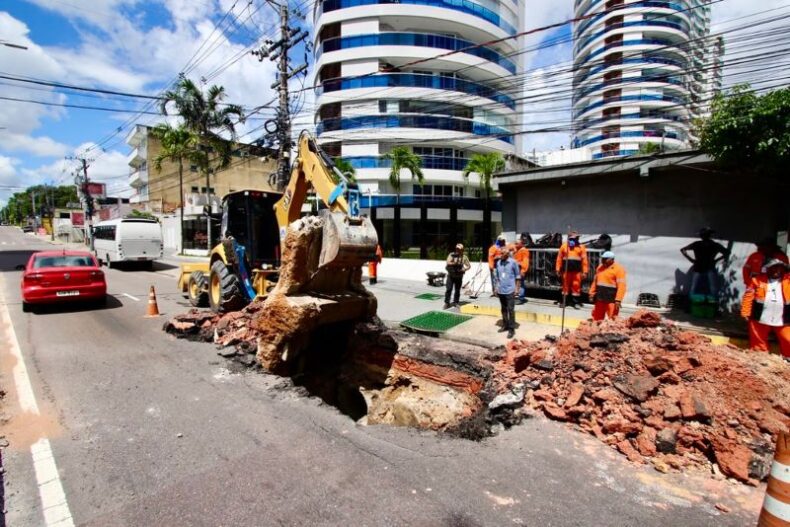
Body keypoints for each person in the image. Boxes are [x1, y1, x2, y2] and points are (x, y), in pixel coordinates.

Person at [741, 259, 790, 360]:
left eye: (779, 268)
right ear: (767, 269)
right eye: (773, 268)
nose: (776, 270)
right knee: (758, 341)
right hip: (760, 317)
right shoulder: (756, 280)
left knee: (788, 339)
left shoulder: (788, 281)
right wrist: (745, 312)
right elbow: (748, 297)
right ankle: (761, 359)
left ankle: (787, 358)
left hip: (783, 318)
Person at [680, 227, 728, 296]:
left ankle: (692, 302)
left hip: (699, 268)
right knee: (712, 288)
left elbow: (683, 250)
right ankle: (713, 303)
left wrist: (691, 260)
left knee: (694, 287)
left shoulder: (697, 244)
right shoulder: (714, 245)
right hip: (709, 268)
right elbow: (727, 252)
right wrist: (716, 260)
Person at [589, 251, 626, 321]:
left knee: (612, 319)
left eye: (605, 259)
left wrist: (618, 300)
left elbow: (622, 286)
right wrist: (592, 293)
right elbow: (595, 281)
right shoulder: (600, 267)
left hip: (611, 299)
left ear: (612, 259)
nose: (602, 260)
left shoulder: (619, 269)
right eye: (602, 258)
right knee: (597, 318)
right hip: (600, 297)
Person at [555, 231, 588, 309]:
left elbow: (584, 261)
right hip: (566, 272)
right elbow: (559, 259)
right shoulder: (564, 247)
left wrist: (585, 272)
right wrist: (557, 269)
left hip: (577, 272)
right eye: (575, 238)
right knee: (565, 287)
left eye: (577, 238)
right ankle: (564, 302)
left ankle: (575, 303)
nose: (577, 239)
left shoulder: (581, 247)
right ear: (569, 239)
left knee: (576, 287)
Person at [494, 246, 521, 338]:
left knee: (511, 310)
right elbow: (497, 277)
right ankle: (505, 325)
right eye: (500, 253)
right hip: (501, 290)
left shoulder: (513, 263)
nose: (500, 255)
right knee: (503, 309)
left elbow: (518, 276)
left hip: (510, 290)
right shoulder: (498, 263)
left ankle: (511, 329)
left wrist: (517, 289)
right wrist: (496, 288)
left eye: (502, 253)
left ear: (507, 254)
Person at [444, 243, 471, 309]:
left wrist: (464, 269)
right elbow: (448, 262)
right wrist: (454, 263)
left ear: (462, 250)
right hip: (451, 275)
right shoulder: (451, 254)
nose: (457, 250)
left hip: (459, 276)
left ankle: (456, 302)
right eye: (457, 249)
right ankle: (447, 303)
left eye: (459, 249)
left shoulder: (464, 257)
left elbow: (469, 266)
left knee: (457, 290)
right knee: (449, 289)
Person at [513, 238, 530, 305]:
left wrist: (523, 270)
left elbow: (525, 262)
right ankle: (518, 297)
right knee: (518, 284)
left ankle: (521, 298)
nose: (515, 244)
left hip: (520, 270)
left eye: (517, 243)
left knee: (520, 284)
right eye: (515, 243)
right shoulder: (518, 250)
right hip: (516, 270)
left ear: (521, 244)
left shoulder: (524, 251)